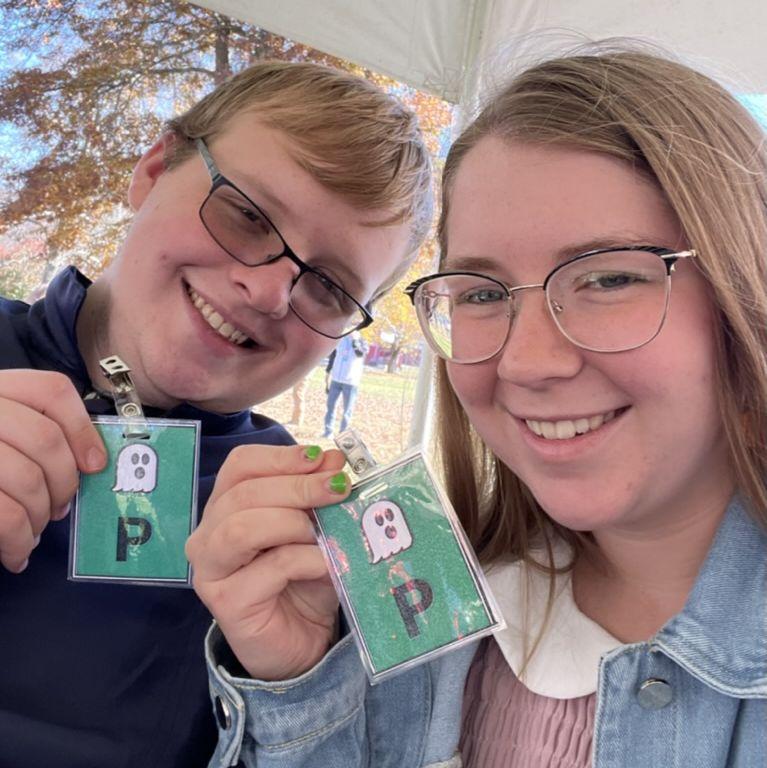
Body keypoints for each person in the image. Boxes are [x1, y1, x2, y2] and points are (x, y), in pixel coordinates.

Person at [187, 45, 767, 767]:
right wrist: (301, 684)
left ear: (745, 290)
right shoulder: (417, 614)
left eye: (609, 279)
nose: (526, 362)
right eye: (483, 294)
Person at [0, 60, 433, 768]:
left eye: (326, 285)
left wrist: (297, 683)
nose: (268, 292)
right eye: (248, 215)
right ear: (153, 168)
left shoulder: (306, 537)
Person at [322, 330, 368, 436]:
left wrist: (355, 340)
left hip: (351, 381)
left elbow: (360, 354)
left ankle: (343, 433)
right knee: (331, 406)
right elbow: (333, 356)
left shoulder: (362, 341)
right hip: (336, 379)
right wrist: (328, 372)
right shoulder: (340, 339)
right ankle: (328, 432)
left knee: (347, 410)